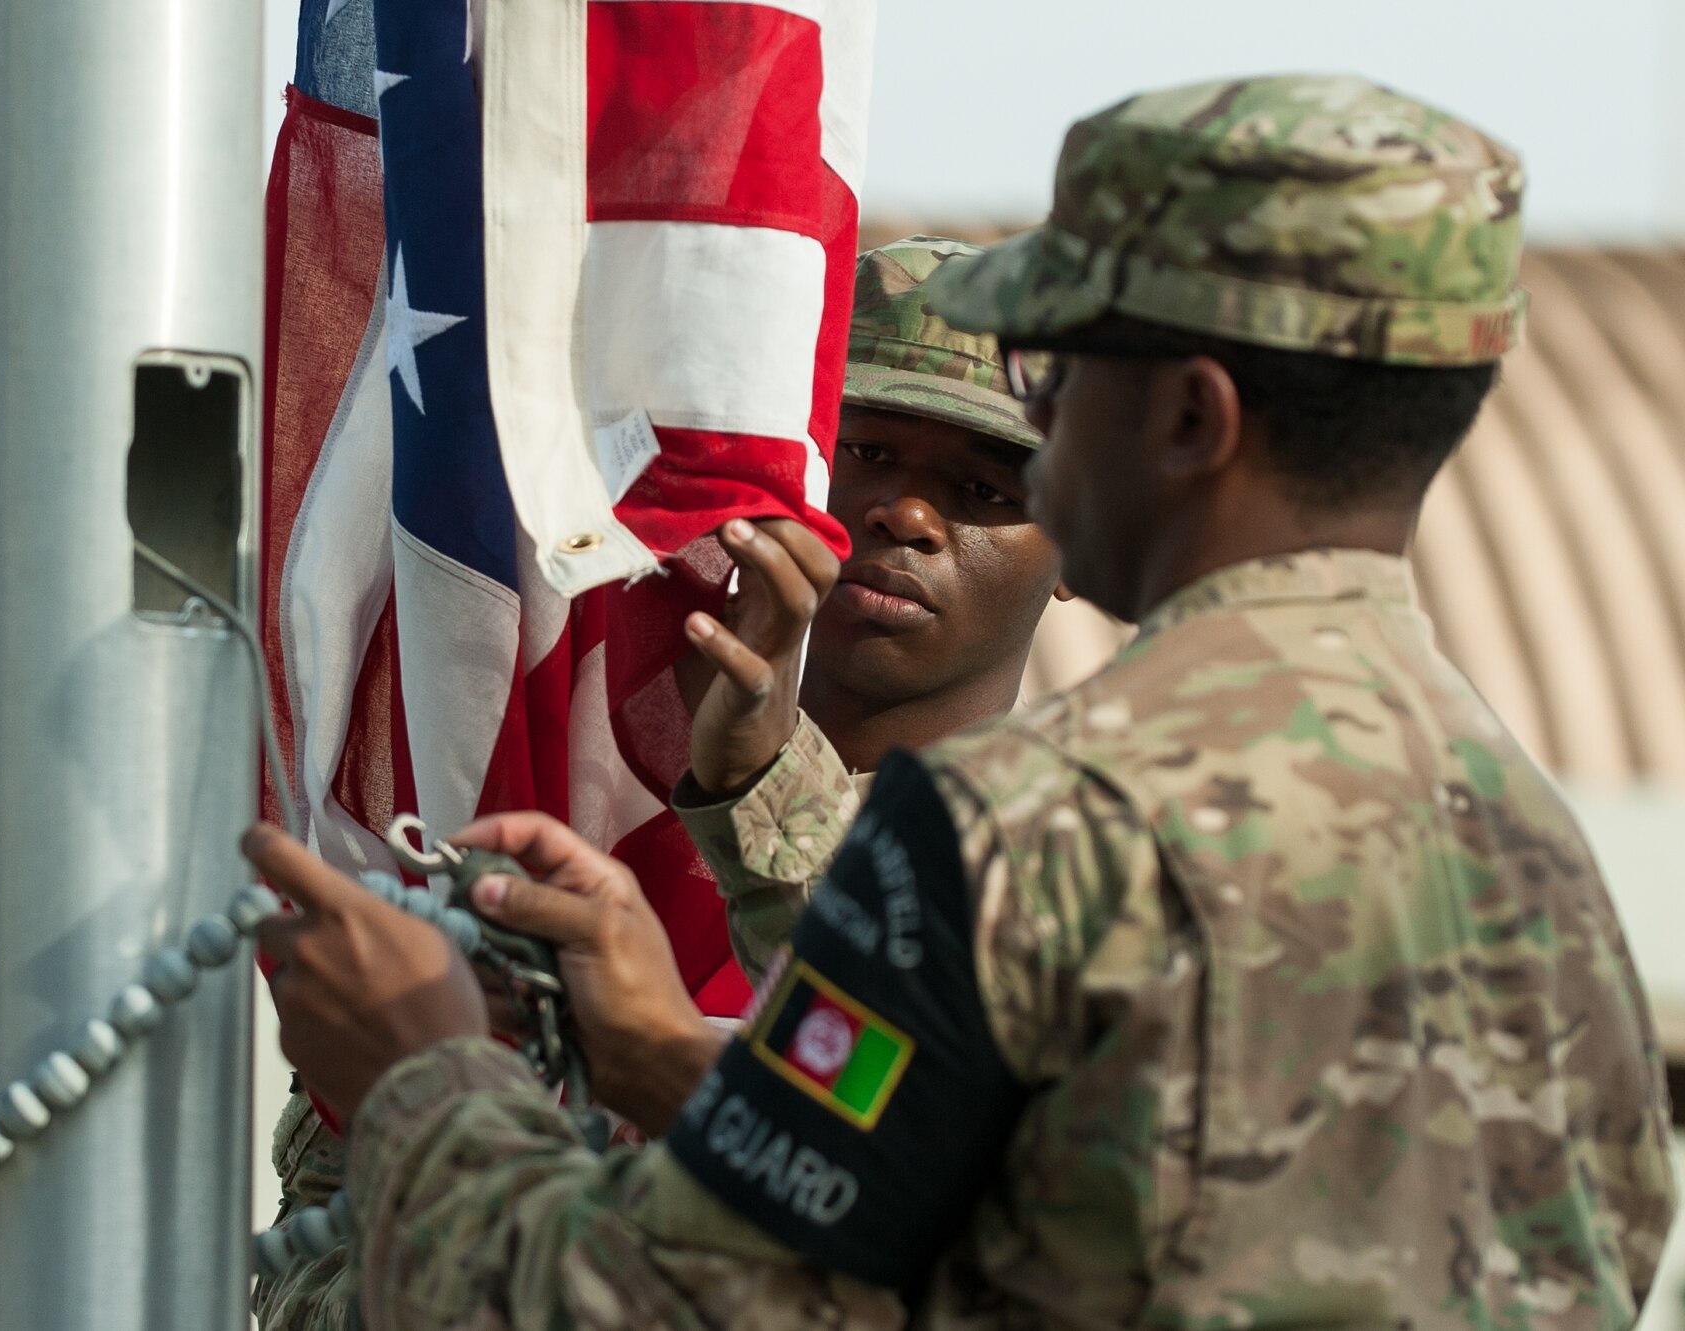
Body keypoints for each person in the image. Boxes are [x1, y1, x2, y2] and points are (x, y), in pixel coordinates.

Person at [248, 73, 1679, 1330]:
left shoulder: (1031, 830)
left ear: (1190, 419)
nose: (1031, 443)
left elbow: (639, 1302)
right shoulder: (1536, 863)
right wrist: (676, 1055)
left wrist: (429, 1074)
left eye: (1056, 379)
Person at [251, 235, 1067, 1330]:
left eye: (978, 488)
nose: (902, 516)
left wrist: (762, 792)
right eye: (863, 454)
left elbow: (939, 1148)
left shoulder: (1084, 863)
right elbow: (330, 1242)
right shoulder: (584, 780)